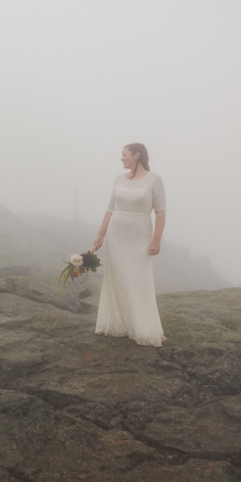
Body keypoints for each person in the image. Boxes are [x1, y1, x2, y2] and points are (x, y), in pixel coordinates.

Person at [92, 143, 167, 346]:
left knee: (138, 278)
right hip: (116, 235)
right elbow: (110, 209)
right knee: (118, 277)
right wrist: (100, 235)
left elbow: (160, 211)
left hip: (139, 235)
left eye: (124, 155)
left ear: (137, 155)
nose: (121, 158)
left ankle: (143, 326)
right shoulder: (119, 179)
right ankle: (120, 323)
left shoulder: (154, 179)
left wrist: (157, 240)